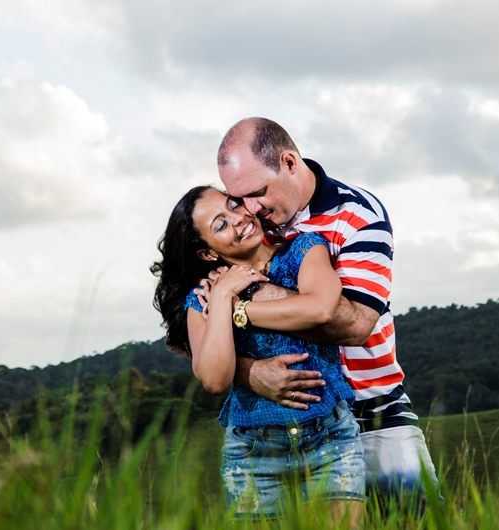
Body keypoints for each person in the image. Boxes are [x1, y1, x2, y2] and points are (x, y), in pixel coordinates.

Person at [202, 117, 438, 508]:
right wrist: (250, 371)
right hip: (284, 425)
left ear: (290, 163)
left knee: (415, 516)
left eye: (258, 193)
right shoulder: (244, 225)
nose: (250, 209)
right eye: (238, 198)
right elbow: (198, 325)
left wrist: (245, 300)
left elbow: (356, 324)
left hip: (374, 409)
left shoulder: (357, 214)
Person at [151, 185, 366, 526]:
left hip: (331, 438)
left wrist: (241, 309)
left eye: (233, 205)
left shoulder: (304, 249)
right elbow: (213, 378)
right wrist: (222, 297)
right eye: (220, 225)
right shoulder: (204, 298)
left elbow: (320, 309)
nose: (239, 219)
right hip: (253, 454)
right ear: (207, 254)